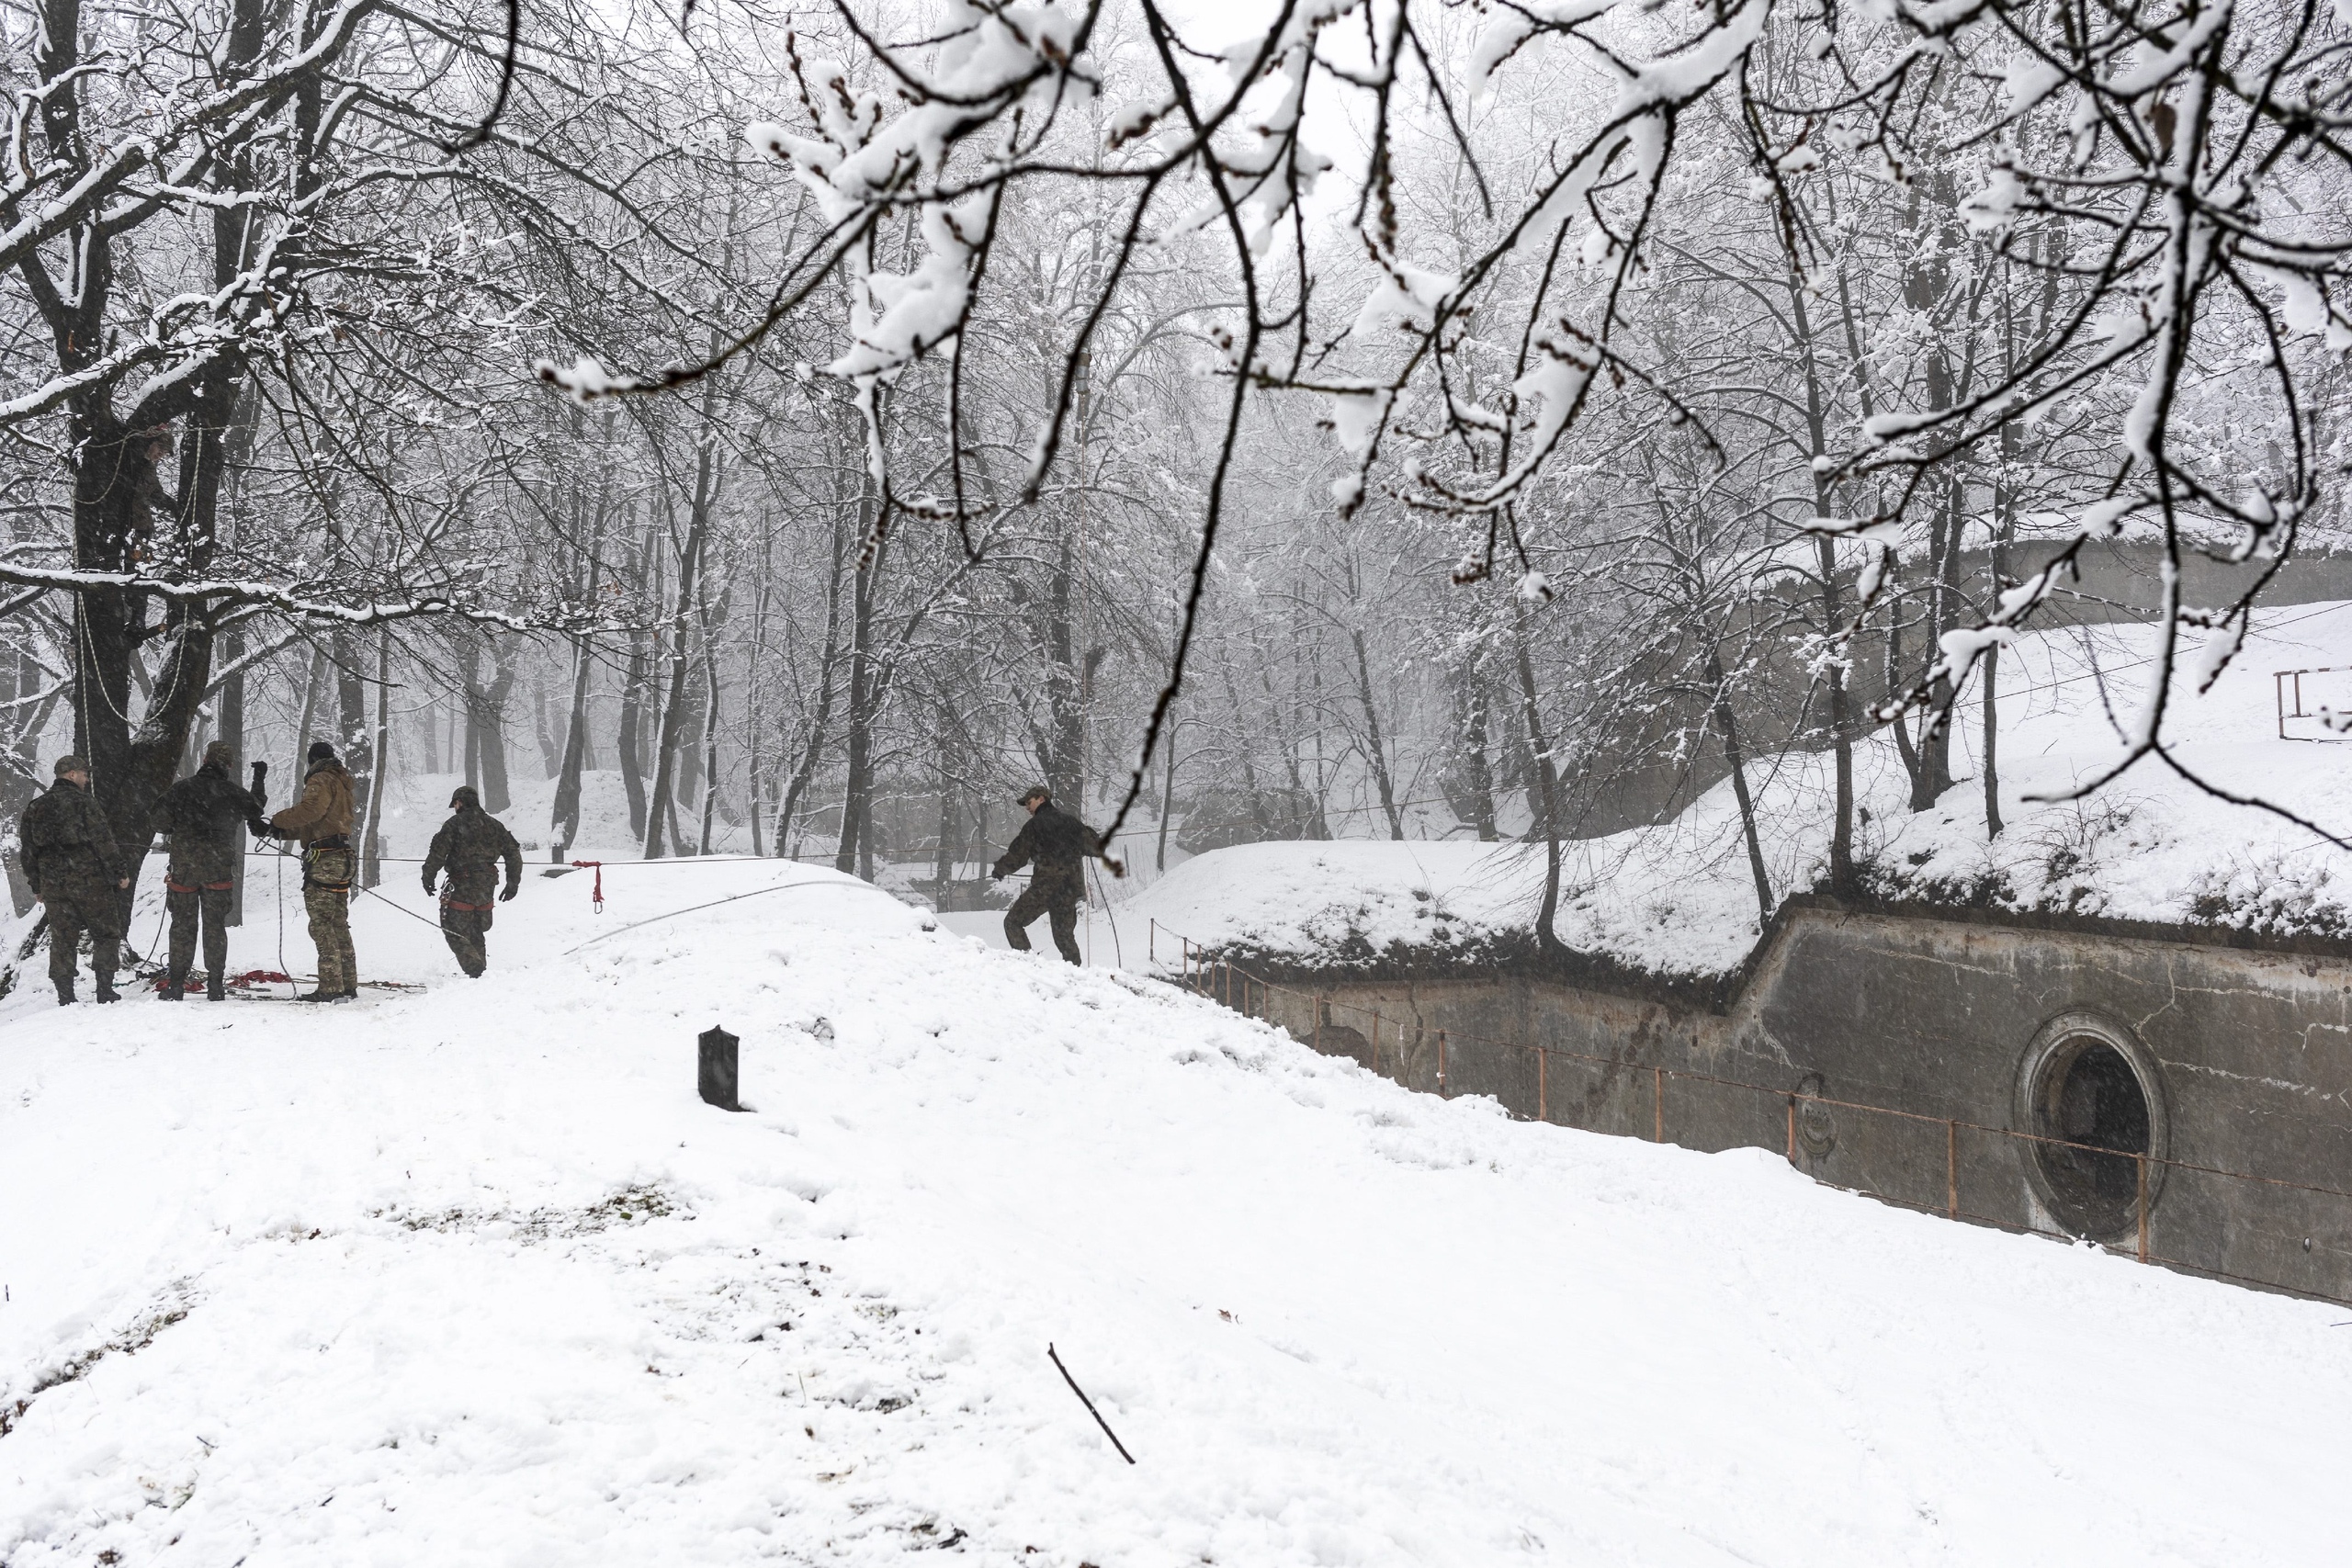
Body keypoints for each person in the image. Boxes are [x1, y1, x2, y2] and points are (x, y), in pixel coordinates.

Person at [153, 740, 267, 1001]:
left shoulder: (181, 790)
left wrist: (179, 827)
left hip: (184, 867)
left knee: (182, 925)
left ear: (205, 760)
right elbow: (255, 809)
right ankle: (216, 985)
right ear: (228, 766)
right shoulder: (232, 792)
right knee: (215, 926)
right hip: (218, 868)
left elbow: (158, 820)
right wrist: (259, 778)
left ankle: (177, 985)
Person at [17, 755, 130, 1005]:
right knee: (106, 934)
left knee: (63, 938)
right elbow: (104, 842)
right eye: (84, 774)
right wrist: (119, 872)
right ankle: (105, 989)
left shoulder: (36, 807)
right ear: (71, 774)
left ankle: (65, 995)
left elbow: (28, 851)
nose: (87, 778)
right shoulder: (84, 803)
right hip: (90, 881)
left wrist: (37, 884)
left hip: (54, 884)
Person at [269, 740, 356, 1002]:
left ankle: (331, 988)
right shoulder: (341, 782)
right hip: (343, 857)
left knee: (322, 925)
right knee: (339, 923)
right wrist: (279, 831)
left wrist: (277, 820)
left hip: (326, 861)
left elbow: (311, 811)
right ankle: (348, 983)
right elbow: (319, 822)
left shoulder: (320, 778)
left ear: (313, 760)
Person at [990, 784, 1099, 964]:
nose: (1027, 807)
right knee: (1064, 937)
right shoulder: (1071, 822)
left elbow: (1018, 855)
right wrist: (1086, 833)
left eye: (1029, 802)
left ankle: (1029, 964)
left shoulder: (1034, 825)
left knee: (1013, 923)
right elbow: (1096, 848)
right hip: (1069, 889)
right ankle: (1077, 976)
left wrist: (1000, 869)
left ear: (1041, 799)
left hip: (1045, 887)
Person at [421, 784, 522, 977]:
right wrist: (512, 883)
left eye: (455, 804)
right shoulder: (495, 825)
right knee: (476, 931)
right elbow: (513, 855)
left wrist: (428, 877)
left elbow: (437, 854)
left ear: (459, 803)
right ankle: (480, 976)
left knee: (453, 930)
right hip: (487, 886)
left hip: (462, 886)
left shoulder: (454, 824)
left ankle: (475, 968)